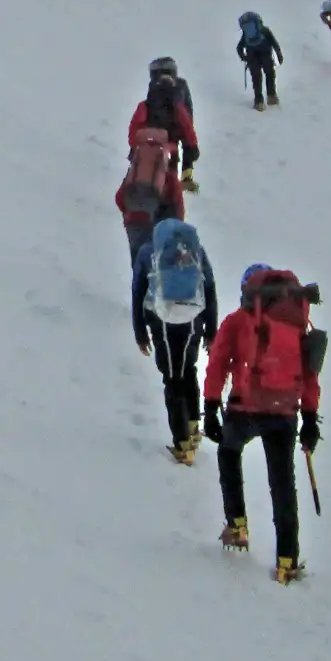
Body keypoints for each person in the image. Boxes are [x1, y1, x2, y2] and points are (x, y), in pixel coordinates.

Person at [203, 264, 326, 584]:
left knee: (229, 452)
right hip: (284, 411)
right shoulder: (298, 324)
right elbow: (310, 374)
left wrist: (211, 405)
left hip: (246, 407)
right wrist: (310, 419)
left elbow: (217, 363)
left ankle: (238, 526)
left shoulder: (237, 320)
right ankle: (288, 560)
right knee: (283, 484)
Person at [132, 216, 219, 461]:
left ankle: (182, 443)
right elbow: (210, 288)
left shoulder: (148, 252)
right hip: (194, 319)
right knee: (188, 369)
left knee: (172, 379)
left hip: (164, 322)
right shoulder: (196, 250)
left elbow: (138, 290)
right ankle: (192, 426)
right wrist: (211, 330)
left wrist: (140, 331)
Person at [116, 128, 187, 259]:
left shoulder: (136, 168)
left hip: (134, 222)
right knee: (156, 268)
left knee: (138, 264)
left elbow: (119, 199)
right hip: (159, 228)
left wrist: (132, 210)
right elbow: (178, 207)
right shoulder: (169, 176)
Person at [131, 58, 200, 190]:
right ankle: (184, 180)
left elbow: (135, 126)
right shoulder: (178, 97)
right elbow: (186, 124)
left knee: (146, 176)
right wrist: (192, 146)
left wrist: (134, 147)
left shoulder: (147, 103)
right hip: (171, 145)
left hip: (148, 147)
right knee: (170, 179)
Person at [236, 12, 284, 109]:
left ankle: (259, 102)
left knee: (256, 78)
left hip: (252, 57)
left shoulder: (246, 36)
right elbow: (274, 43)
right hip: (266, 54)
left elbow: (239, 48)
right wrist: (279, 55)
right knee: (270, 74)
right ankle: (271, 96)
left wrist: (244, 58)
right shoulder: (264, 31)